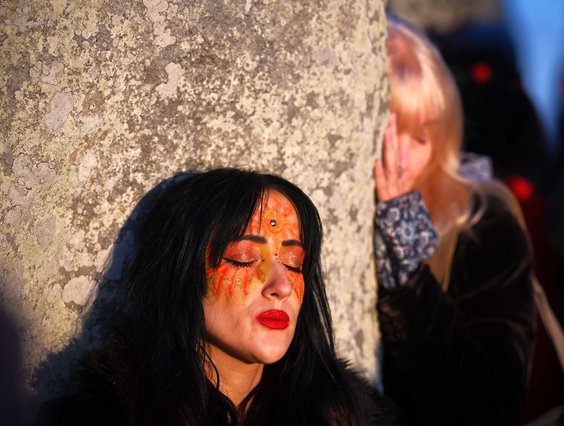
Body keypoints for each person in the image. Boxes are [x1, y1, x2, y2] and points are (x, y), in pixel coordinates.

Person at [37, 168, 396, 426]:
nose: (281, 285)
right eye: (243, 258)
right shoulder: (95, 415)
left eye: (294, 263)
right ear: (182, 273)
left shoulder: (349, 415)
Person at [373, 17, 535, 425]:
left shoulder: (483, 223)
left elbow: (492, 408)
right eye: (392, 132)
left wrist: (408, 263)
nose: (403, 158)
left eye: (420, 137)